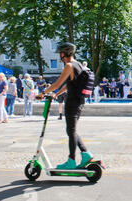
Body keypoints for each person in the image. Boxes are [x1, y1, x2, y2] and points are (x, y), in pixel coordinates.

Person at [37, 42, 93, 170]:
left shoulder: (68, 66)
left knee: (71, 131)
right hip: (79, 102)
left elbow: (57, 84)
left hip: (72, 103)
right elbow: (69, 85)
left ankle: (71, 160)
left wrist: (43, 93)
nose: (59, 55)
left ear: (64, 53)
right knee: (71, 130)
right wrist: (56, 95)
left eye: (60, 53)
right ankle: (85, 154)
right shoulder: (78, 65)